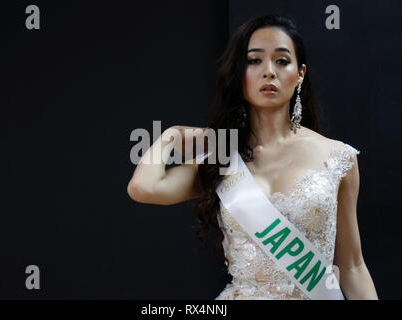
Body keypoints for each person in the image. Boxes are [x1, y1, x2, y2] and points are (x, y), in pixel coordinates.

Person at [127, 14, 378, 300]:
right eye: (254, 61)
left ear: (300, 73)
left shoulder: (337, 157)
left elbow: (352, 267)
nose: (268, 71)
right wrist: (170, 135)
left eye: (282, 61)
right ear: (239, 73)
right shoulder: (221, 157)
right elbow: (143, 188)